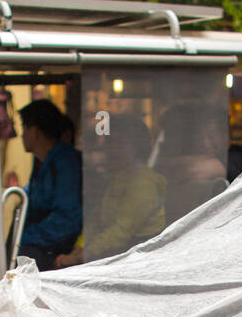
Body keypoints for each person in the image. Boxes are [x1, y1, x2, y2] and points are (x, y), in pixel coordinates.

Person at [56, 114, 165, 267]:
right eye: (108, 142)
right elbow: (96, 219)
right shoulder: (116, 178)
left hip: (137, 258)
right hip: (115, 252)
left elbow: (121, 232)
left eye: (117, 143)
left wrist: (83, 255)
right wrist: (79, 247)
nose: (108, 149)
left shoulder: (143, 182)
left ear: (135, 147)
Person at [16, 99, 81, 269]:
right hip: (40, 240)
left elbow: (67, 220)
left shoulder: (66, 163)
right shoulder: (41, 162)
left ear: (35, 131)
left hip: (58, 247)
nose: (21, 135)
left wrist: (23, 237)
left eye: (24, 128)